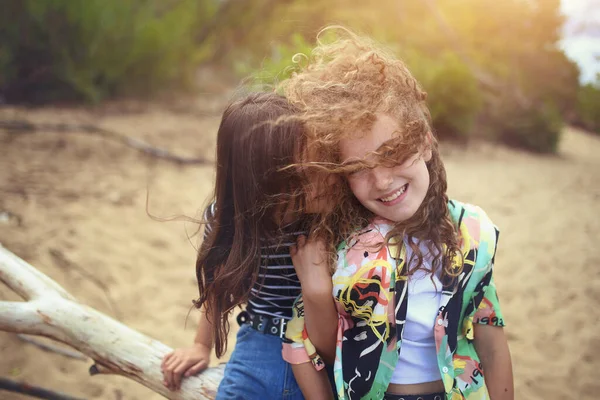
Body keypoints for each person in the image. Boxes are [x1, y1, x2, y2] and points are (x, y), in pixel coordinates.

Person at [280, 29, 514, 400]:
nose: (382, 181)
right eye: (358, 168)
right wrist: (315, 287)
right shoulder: (336, 240)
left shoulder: (474, 231)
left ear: (423, 141)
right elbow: (313, 348)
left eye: (392, 154)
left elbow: (489, 330)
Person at [160, 91, 338, 399]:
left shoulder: (329, 216)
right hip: (258, 343)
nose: (320, 173)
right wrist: (201, 346)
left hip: (324, 349)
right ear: (265, 181)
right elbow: (217, 282)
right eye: (303, 170)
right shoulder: (227, 218)